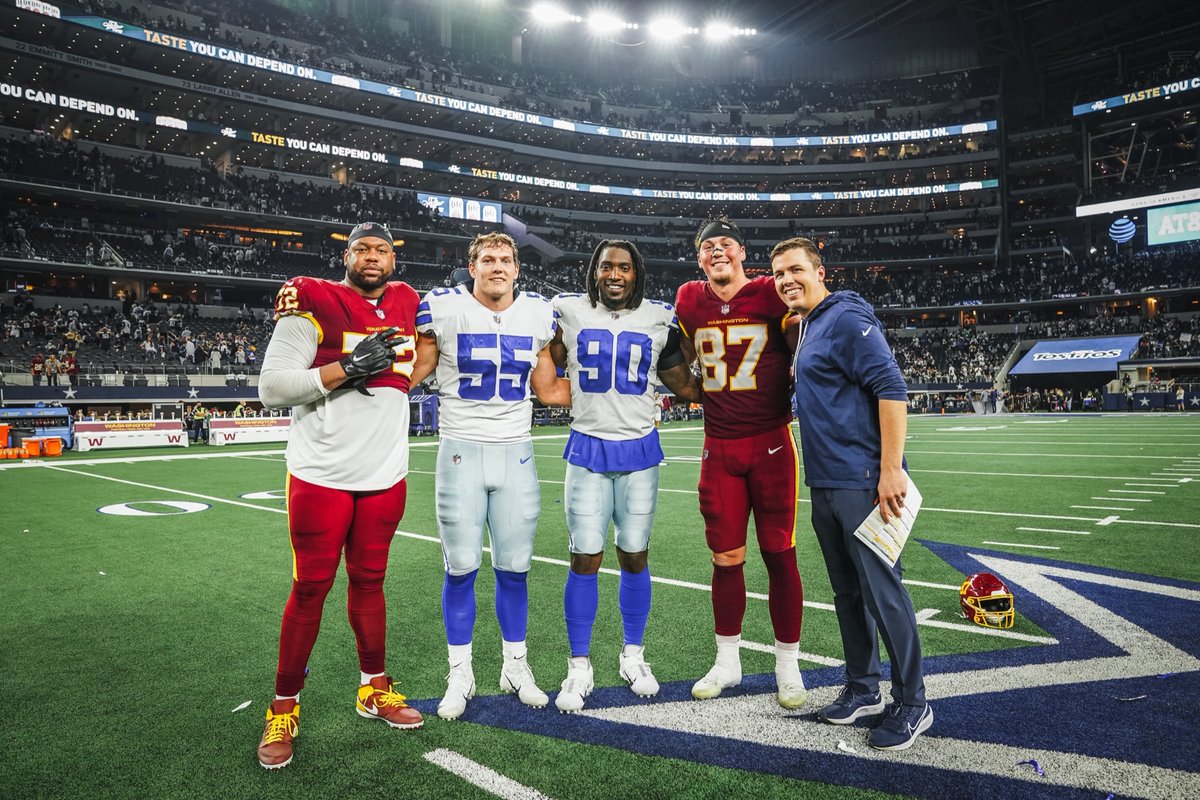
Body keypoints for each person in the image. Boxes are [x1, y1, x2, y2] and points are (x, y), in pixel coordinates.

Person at [253, 221, 423, 770]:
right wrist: (346, 368)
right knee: (310, 588)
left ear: (393, 258)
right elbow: (272, 387)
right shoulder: (314, 297)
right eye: (362, 249)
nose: (372, 257)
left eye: (382, 249)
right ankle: (283, 707)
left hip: (385, 474)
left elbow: (418, 361)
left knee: (371, 582)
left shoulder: (406, 299)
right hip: (321, 473)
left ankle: (373, 687)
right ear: (346, 255)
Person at [771, 236, 931, 751]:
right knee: (848, 594)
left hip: (864, 482)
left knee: (883, 593)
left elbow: (892, 388)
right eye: (778, 275)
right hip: (826, 482)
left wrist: (890, 471)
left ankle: (914, 702)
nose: (787, 280)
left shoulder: (844, 318)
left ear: (821, 272)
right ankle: (863, 688)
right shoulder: (808, 325)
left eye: (796, 269)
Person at [409, 231, 568, 721]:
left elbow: (549, 389)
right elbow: (417, 369)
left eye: (505, 259)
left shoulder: (538, 314)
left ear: (517, 268)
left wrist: (624, 395)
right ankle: (461, 671)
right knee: (460, 568)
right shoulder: (443, 307)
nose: (497, 266)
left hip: (516, 454)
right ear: (472, 266)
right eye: (487, 259)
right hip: (460, 452)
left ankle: (514, 666)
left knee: (515, 569)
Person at [548, 240, 700, 712]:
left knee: (634, 555)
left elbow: (680, 380)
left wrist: (736, 394)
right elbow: (538, 358)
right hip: (587, 447)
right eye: (606, 266)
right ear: (594, 271)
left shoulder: (658, 317)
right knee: (585, 557)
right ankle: (579, 665)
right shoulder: (567, 311)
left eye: (624, 267)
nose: (615, 274)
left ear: (637, 273)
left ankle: (633, 654)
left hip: (639, 452)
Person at [673, 216, 807, 709]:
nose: (717, 251)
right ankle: (727, 661)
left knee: (779, 554)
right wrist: (690, 386)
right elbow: (682, 350)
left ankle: (787, 666)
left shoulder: (774, 292)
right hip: (720, 446)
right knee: (725, 558)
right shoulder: (689, 298)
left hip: (771, 443)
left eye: (725, 243)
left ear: (743, 250)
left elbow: (802, 334)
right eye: (708, 246)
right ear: (699, 257)